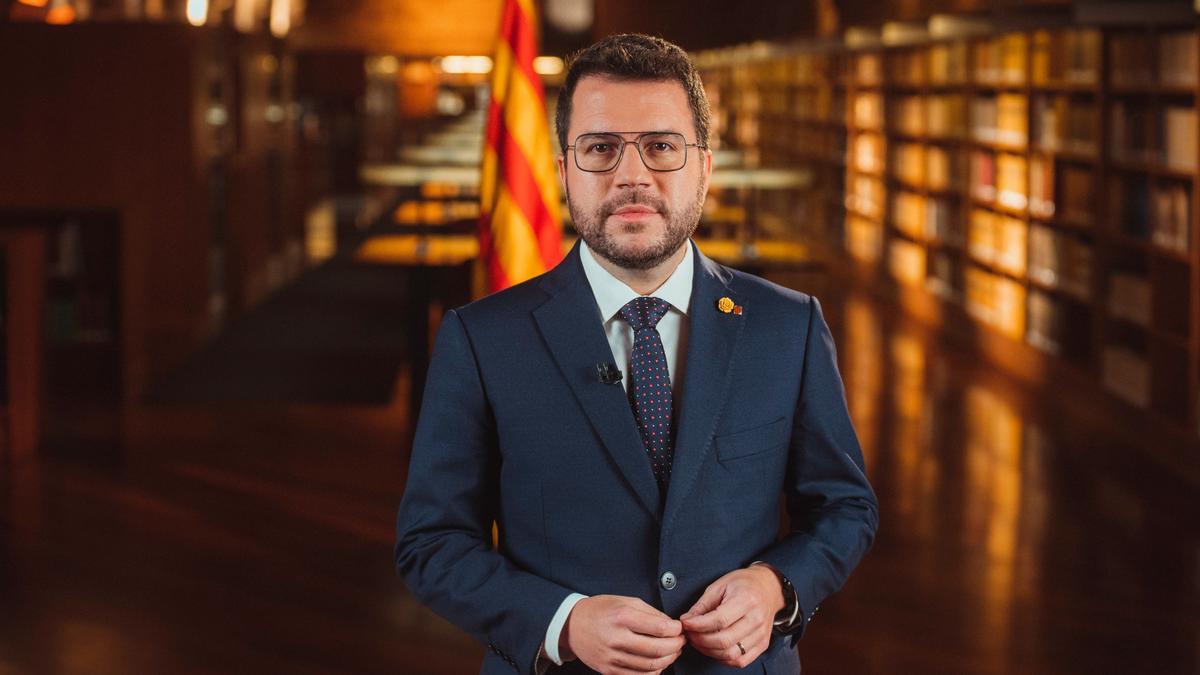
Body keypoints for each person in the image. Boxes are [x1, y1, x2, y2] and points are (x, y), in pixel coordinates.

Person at [395, 33, 878, 675]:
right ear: (564, 169)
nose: (631, 175)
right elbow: (431, 543)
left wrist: (776, 587)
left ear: (704, 167)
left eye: (661, 147)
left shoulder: (787, 327)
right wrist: (561, 622)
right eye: (599, 149)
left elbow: (845, 507)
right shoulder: (481, 339)